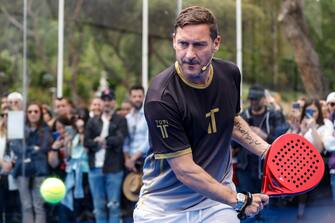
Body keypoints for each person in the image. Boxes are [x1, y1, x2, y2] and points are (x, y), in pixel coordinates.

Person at [134, 6, 269, 223]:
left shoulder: (230, 74)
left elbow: (230, 121)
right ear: (173, 41)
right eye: (183, 44)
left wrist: (268, 152)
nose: (189, 54)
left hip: (215, 204)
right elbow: (185, 171)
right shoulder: (161, 96)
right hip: (164, 209)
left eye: (199, 45)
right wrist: (240, 201)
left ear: (216, 43)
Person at [234, 84, 289, 194]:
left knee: (266, 202)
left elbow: (283, 140)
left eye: (256, 99)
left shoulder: (274, 115)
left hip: (268, 167)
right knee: (248, 201)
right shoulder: (243, 116)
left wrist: (264, 135)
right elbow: (233, 142)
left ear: (264, 99)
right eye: (251, 99)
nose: (253, 101)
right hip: (246, 167)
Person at [84, 89, 128, 223]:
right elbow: (87, 141)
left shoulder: (120, 120)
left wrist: (103, 140)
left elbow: (120, 139)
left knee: (114, 205)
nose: (107, 103)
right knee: (98, 206)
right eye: (104, 100)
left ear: (114, 102)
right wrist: (98, 144)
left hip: (114, 168)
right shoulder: (93, 121)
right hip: (95, 168)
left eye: (110, 100)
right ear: (101, 102)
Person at [10, 103, 52, 223]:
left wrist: (27, 150)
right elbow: (17, 149)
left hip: (40, 170)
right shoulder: (19, 128)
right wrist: (33, 149)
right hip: (22, 170)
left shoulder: (46, 129)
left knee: (39, 206)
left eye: (36, 111)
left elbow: (44, 147)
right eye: (30, 111)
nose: (33, 114)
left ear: (40, 113)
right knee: (26, 206)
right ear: (26, 114)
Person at [122, 85, 149, 223]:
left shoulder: (150, 114)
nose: (137, 99)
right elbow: (125, 141)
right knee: (130, 197)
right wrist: (127, 159)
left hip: (145, 160)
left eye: (140, 96)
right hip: (129, 163)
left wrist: (133, 158)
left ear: (144, 97)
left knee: (145, 198)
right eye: (134, 96)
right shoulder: (127, 118)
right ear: (130, 97)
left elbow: (148, 141)